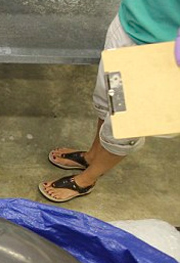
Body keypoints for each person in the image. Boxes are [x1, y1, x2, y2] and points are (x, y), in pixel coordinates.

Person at [39, 1, 180, 203]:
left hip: (164, 52)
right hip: (130, 23)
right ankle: (91, 156)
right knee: (106, 101)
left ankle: (87, 179)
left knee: (123, 128)